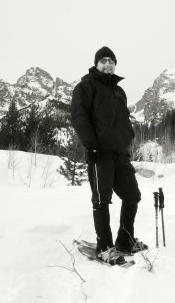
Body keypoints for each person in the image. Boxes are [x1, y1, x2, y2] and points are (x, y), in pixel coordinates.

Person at [71, 46, 147, 265]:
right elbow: (79, 117)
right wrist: (91, 146)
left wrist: (127, 136)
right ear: (96, 64)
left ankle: (125, 241)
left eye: (111, 61)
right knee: (102, 200)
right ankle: (105, 247)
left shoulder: (118, 91)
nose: (108, 64)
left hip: (120, 153)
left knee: (132, 196)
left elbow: (118, 118)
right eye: (103, 60)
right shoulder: (85, 87)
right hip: (100, 153)